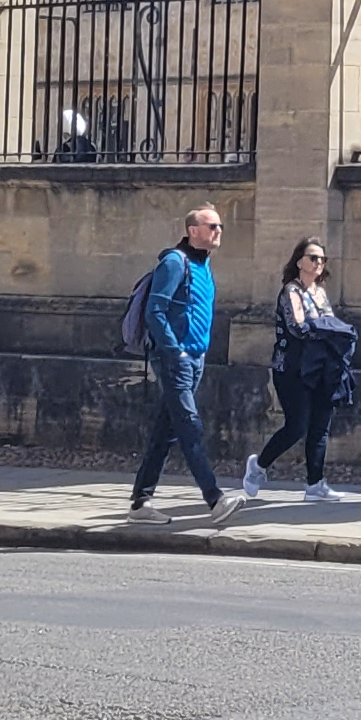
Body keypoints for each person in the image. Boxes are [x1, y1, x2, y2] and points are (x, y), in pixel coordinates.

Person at [127, 205, 233, 524]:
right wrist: (175, 352)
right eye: (212, 226)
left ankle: (140, 503)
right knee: (190, 427)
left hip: (195, 358)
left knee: (166, 430)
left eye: (220, 226)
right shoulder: (175, 262)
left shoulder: (204, 264)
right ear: (193, 231)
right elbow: (155, 311)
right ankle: (215, 499)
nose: (218, 231)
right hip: (176, 360)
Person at [242, 239, 359, 504]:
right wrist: (328, 330)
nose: (318, 263)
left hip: (322, 367)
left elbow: (324, 326)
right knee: (296, 426)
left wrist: (329, 331)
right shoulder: (290, 292)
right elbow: (298, 327)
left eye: (322, 259)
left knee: (320, 427)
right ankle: (258, 466)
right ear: (299, 262)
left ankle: (315, 484)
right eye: (313, 258)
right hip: (292, 368)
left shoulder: (320, 292)